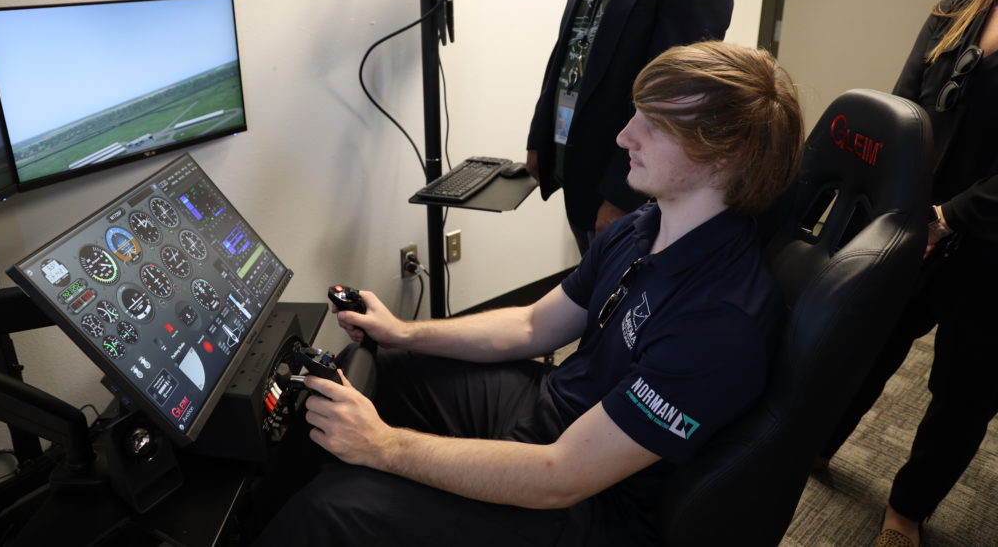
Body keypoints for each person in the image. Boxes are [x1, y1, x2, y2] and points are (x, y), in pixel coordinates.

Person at [254, 41, 803, 546]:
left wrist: (385, 447)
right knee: (372, 368)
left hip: (590, 504)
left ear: (723, 155)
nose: (624, 136)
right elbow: (533, 327)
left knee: (332, 510)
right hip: (551, 409)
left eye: (655, 126)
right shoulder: (645, 225)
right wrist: (404, 332)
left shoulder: (719, 322)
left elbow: (560, 476)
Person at [816, 0, 998, 547]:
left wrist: (948, 217)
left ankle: (908, 509)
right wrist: (900, 209)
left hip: (988, 245)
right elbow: (902, 113)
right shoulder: (953, 12)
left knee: (963, 390)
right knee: (867, 347)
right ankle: (817, 443)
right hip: (912, 225)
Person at [526, 0, 734, 254]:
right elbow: (568, 54)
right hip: (573, 168)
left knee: (608, 307)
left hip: (619, 189)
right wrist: (541, 138)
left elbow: (674, 106)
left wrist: (622, 196)